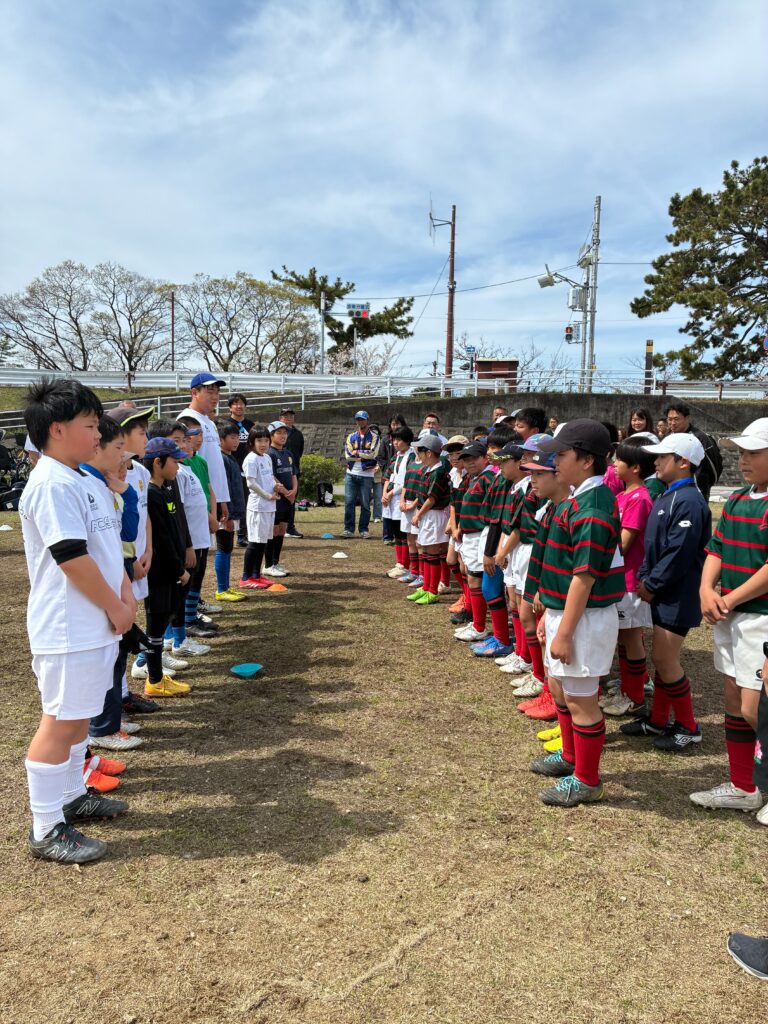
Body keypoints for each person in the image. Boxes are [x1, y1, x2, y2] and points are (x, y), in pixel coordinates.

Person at [20, 379, 133, 864]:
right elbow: (71, 557)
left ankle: (71, 795)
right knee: (59, 722)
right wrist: (115, 605)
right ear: (57, 429)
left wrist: (123, 597)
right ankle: (46, 827)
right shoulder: (51, 484)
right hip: (69, 626)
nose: (99, 434)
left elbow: (106, 548)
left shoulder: (80, 480)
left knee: (78, 719)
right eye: (90, 425)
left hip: (95, 622)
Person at [529, 420, 623, 808]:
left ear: (586, 460)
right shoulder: (577, 500)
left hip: (585, 619)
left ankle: (587, 779)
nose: (555, 462)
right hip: (569, 614)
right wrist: (550, 617)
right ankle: (571, 757)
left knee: (582, 700)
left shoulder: (593, 508)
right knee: (564, 690)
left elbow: (583, 578)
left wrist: (565, 632)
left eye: (562, 455)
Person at [692, 418, 768, 812]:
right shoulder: (738, 499)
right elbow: (716, 548)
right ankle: (743, 786)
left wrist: (730, 597)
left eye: (754, 452)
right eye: (741, 453)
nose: (744, 460)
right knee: (735, 702)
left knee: (757, 709)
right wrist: (707, 589)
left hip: (760, 617)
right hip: (731, 616)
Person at [620, 432, 711, 752]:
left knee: (664, 658)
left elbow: (679, 552)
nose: (655, 462)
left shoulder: (689, 501)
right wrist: (646, 576)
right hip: (662, 591)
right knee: (663, 658)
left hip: (678, 594)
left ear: (683, 462)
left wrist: (651, 583)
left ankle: (688, 726)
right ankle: (658, 719)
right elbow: (653, 546)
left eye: (662, 457)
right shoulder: (667, 494)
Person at [81, 415, 142, 754]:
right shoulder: (80, 484)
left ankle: (110, 720)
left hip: (117, 581)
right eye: (119, 449)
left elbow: (126, 533)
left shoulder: (103, 487)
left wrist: (127, 495)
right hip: (97, 593)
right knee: (103, 662)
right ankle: (102, 727)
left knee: (115, 656)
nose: (123, 459)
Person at [600, 437, 656, 717]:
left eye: (619, 460)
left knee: (631, 636)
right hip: (620, 578)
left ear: (635, 468)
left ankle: (635, 695)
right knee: (624, 637)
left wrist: (598, 551)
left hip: (630, 581)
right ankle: (627, 688)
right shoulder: (623, 495)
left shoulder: (640, 498)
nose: (614, 464)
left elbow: (624, 542)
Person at [141, 437, 193, 700]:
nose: (178, 466)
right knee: (156, 625)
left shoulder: (166, 490)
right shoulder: (150, 494)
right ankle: (154, 680)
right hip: (160, 574)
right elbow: (161, 540)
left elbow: (175, 530)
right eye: (174, 461)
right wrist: (178, 570)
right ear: (158, 463)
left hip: (171, 571)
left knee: (161, 624)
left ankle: (157, 677)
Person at [453, 442, 497, 644]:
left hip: (480, 534)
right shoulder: (474, 478)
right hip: (470, 534)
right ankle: (477, 623)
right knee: (472, 578)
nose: (470, 463)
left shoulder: (488, 479)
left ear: (485, 458)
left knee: (476, 580)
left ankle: (480, 626)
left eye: (474, 459)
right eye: (466, 459)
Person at [409, 434, 450, 605]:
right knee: (425, 552)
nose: (418, 455)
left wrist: (418, 514)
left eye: (420, 451)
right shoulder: (428, 470)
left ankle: (432, 590)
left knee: (433, 553)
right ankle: (426, 586)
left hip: (434, 515)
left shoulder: (438, 472)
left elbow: (432, 499)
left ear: (429, 453)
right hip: (427, 514)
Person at [180, 372, 230, 514]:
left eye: (217, 392)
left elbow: (215, 461)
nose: (215, 397)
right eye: (210, 392)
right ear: (195, 393)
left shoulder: (209, 422)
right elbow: (185, 462)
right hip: (200, 499)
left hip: (214, 498)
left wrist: (222, 499)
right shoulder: (186, 420)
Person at [241, 426, 281, 589]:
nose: (263, 444)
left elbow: (269, 478)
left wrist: (275, 486)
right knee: (255, 542)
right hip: (258, 506)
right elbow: (250, 483)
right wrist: (267, 495)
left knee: (263, 541)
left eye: (266, 440)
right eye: (259, 440)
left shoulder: (267, 457)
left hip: (269, 506)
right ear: (252, 442)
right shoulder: (251, 459)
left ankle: (257, 575)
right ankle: (246, 577)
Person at [214, 422, 248, 602]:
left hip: (233, 511)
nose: (236, 441)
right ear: (221, 439)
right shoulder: (220, 459)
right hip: (225, 512)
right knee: (223, 547)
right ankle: (221, 589)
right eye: (232, 438)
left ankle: (225, 587)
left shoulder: (230, 457)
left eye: (237, 438)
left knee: (228, 548)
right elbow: (222, 488)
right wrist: (225, 513)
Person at [664, 400, 722, 500]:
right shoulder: (668, 438)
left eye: (676, 419)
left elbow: (714, 466)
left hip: (697, 492)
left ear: (687, 418)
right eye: (669, 419)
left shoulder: (701, 438)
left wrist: (704, 486)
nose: (672, 423)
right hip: (671, 489)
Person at [264, 420, 297, 577]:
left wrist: (294, 491)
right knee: (273, 530)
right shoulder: (269, 454)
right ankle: (268, 564)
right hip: (277, 498)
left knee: (282, 530)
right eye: (279, 433)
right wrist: (285, 492)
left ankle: (276, 562)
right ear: (271, 436)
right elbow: (271, 476)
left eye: (285, 433)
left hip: (288, 498)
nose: (283, 436)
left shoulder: (288, 453)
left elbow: (293, 474)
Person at [382, 424, 415, 574]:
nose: (395, 443)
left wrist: (390, 494)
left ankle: (405, 565)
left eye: (399, 440)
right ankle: (399, 562)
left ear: (407, 441)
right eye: (394, 440)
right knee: (396, 531)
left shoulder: (411, 456)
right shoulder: (396, 456)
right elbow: (388, 475)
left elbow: (407, 480)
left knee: (403, 533)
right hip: (391, 497)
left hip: (401, 497)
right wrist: (384, 492)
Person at [343, 410, 381, 538]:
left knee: (365, 504)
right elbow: (348, 455)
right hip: (351, 473)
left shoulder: (375, 436)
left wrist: (358, 453)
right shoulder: (351, 436)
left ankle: (364, 529)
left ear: (367, 420)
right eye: (358, 419)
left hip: (367, 474)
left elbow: (373, 454)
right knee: (349, 502)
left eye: (363, 419)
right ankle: (348, 529)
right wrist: (364, 455)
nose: (360, 421)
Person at [227, 394, 254, 546]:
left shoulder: (250, 425)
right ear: (230, 407)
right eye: (235, 403)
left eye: (241, 403)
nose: (239, 406)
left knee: (247, 502)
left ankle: (244, 534)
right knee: (234, 501)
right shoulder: (226, 425)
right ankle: (235, 534)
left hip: (248, 469)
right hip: (231, 468)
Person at [279, 408, 305, 539]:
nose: (288, 419)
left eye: (291, 416)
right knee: (278, 500)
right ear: (280, 418)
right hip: (278, 472)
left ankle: (290, 527)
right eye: (286, 416)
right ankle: (278, 526)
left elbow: (299, 452)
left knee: (291, 499)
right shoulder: (274, 433)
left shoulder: (298, 434)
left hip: (293, 472)